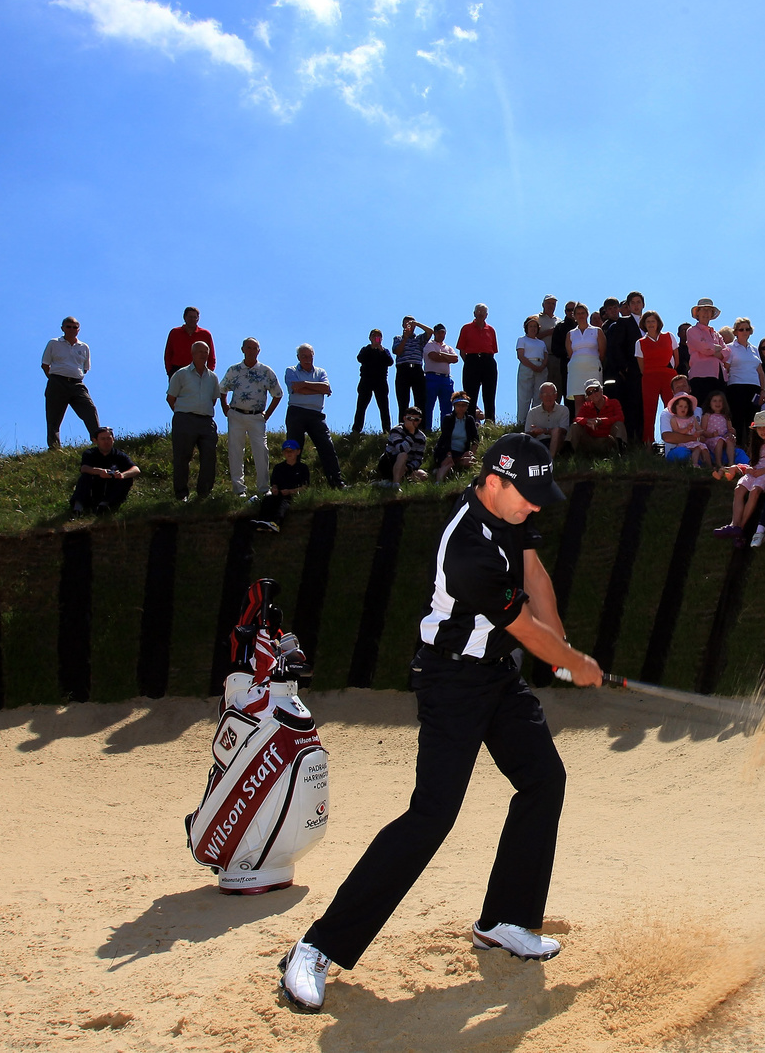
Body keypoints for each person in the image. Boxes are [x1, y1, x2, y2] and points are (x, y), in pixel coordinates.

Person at [278, 435, 602, 1012]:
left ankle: (504, 920)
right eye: (526, 496)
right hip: (451, 682)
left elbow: (535, 576)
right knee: (431, 816)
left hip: (499, 677)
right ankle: (318, 946)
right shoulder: (467, 547)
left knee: (543, 780)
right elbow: (524, 625)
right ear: (494, 483)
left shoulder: (513, 512)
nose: (534, 507)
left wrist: (567, 648)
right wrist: (567, 662)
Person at [220, 337, 284, 498]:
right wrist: (225, 408)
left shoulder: (266, 371)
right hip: (236, 415)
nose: (251, 351)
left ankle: (263, 488)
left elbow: (278, 394)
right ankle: (239, 489)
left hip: (256, 417)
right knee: (235, 451)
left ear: (259, 351)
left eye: (254, 348)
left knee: (261, 451)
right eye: (248, 347)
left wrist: (267, 415)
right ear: (242, 349)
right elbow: (222, 389)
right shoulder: (234, 370)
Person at [285, 344, 346, 489]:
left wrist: (304, 384)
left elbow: (326, 388)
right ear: (298, 357)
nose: (307, 359)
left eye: (309, 356)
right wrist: (315, 388)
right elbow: (295, 388)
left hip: (316, 415)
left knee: (327, 447)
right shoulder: (291, 370)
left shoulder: (320, 371)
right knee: (294, 449)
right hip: (296, 412)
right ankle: (293, 485)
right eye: (303, 356)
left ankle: (336, 483)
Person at [714, 409, 765, 543]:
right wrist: (747, 469)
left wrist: (763, 471)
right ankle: (734, 524)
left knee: (755, 491)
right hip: (756, 471)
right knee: (739, 489)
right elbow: (753, 464)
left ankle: (740, 528)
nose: (762, 431)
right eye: (759, 428)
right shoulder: (756, 444)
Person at [166, 340, 220, 501]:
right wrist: (182, 413)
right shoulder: (181, 374)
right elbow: (170, 398)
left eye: (205, 352)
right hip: (184, 419)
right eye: (200, 352)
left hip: (206, 421)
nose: (203, 355)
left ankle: (204, 493)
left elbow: (214, 399)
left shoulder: (213, 377)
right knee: (182, 458)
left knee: (209, 457)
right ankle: (181, 494)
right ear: (193, 353)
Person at [41, 316, 99, 450]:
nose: (71, 329)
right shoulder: (54, 343)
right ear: (62, 328)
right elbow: (45, 364)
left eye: (74, 327)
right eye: (68, 327)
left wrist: (74, 376)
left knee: (90, 409)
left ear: (78, 329)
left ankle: (98, 440)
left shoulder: (84, 347)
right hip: (57, 382)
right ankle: (54, 448)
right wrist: (54, 379)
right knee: (54, 417)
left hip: (77, 384)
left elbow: (85, 368)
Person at [603, 293, 644, 443]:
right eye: (632, 303)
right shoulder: (623, 322)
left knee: (645, 407)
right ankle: (632, 441)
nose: (636, 305)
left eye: (638, 302)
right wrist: (624, 367)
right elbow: (615, 347)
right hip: (632, 372)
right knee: (632, 406)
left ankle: (644, 441)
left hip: (648, 372)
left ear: (643, 304)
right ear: (628, 305)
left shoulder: (649, 322)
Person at [69, 427, 139, 515]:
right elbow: (84, 468)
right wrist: (100, 472)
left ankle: (105, 506)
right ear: (95, 441)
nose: (106, 442)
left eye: (109, 438)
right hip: (94, 487)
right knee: (85, 476)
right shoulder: (90, 453)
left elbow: (136, 469)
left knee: (127, 479)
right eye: (102, 439)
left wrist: (122, 475)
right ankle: (78, 509)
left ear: (113, 440)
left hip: (111, 487)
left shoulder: (119, 455)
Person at [636, 311, 676, 444]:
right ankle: (648, 443)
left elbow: (676, 358)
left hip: (668, 376)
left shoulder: (669, 336)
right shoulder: (640, 342)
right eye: (648, 322)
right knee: (649, 411)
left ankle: (673, 442)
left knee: (672, 409)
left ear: (658, 323)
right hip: (649, 378)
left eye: (653, 321)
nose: (651, 324)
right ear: (644, 324)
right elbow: (641, 366)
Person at [253, 440, 310, 533]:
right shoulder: (278, 467)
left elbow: (305, 486)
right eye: (286, 451)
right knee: (268, 500)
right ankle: (262, 522)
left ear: (298, 452)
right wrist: (275, 489)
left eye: (291, 451)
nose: (289, 453)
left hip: (293, 495)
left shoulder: (303, 468)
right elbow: (274, 483)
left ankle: (276, 523)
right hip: (279, 494)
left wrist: (291, 491)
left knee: (283, 504)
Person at [722, 318, 764, 436]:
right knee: (738, 420)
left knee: (753, 420)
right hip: (737, 388)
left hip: (754, 389)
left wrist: (763, 391)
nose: (745, 332)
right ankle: (738, 448)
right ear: (735, 332)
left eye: (747, 329)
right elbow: (726, 368)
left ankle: (752, 450)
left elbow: (760, 372)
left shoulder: (755, 349)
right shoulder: (730, 348)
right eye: (741, 329)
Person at [457, 304, 499, 422]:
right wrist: (471, 363)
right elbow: (462, 351)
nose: (481, 314)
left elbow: (494, 349)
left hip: (488, 361)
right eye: (478, 311)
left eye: (483, 312)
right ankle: (470, 421)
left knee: (489, 394)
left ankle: (490, 422)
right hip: (472, 360)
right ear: (474, 313)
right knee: (470, 394)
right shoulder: (466, 328)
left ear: (486, 315)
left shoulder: (490, 330)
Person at [684, 299, 727, 410]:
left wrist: (714, 350)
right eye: (703, 310)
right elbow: (703, 348)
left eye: (709, 310)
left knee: (718, 411)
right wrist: (716, 349)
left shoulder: (716, 334)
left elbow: (727, 353)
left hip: (718, 376)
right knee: (701, 409)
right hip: (700, 376)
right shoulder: (692, 330)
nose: (706, 313)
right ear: (697, 313)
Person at [566, 379, 625, 455]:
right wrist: (588, 421)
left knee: (619, 424)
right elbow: (577, 419)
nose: (593, 394)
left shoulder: (614, 403)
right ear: (588, 396)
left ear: (601, 390)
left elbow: (620, 417)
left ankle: (621, 452)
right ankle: (568, 455)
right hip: (590, 441)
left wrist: (601, 421)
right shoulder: (586, 406)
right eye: (589, 392)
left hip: (609, 440)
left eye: (595, 390)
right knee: (575, 426)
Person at [353, 329, 394, 435]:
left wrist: (381, 350)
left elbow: (390, 362)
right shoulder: (365, 349)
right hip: (366, 380)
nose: (376, 338)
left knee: (384, 406)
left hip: (381, 381)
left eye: (379, 336)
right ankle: (356, 429)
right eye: (374, 336)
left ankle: (386, 430)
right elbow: (360, 358)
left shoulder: (384, 351)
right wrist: (371, 348)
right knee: (361, 405)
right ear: (370, 338)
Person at [392, 317, 432, 420]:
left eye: (411, 324)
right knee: (403, 401)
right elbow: (397, 351)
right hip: (403, 369)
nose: (409, 326)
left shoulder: (419, 339)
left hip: (417, 369)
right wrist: (405, 337)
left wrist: (417, 324)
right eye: (406, 324)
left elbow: (430, 332)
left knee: (420, 400)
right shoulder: (398, 338)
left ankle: (420, 427)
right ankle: (403, 426)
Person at [564, 304, 604, 406]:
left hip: (593, 367)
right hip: (576, 370)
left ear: (587, 314)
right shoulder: (570, 334)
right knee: (579, 401)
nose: (581, 316)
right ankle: (579, 421)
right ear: (574, 316)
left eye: (583, 313)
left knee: (593, 399)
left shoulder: (597, 331)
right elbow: (570, 353)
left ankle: (594, 421)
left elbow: (602, 351)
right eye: (578, 313)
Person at [433, 394, 481, 482]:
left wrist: (472, 452)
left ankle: (456, 471)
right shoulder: (448, 419)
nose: (461, 408)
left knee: (471, 461)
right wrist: (448, 455)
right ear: (454, 406)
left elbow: (475, 438)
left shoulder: (469, 420)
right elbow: (445, 438)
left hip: (461, 452)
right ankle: (438, 482)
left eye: (464, 405)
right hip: (446, 451)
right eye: (458, 405)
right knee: (448, 463)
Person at [514, 317, 549, 431]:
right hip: (527, 366)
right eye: (531, 326)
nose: (533, 328)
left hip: (540, 366)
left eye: (535, 326)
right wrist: (532, 366)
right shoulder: (522, 340)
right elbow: (521, 356)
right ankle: (521, 423)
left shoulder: (541, 342)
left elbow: (545, 355)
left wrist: (542, 366)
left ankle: (535, 423)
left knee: (538, 396)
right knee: (524, 396)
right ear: (526, 328)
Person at [422, 324, 459, 430]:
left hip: (445, 379)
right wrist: (446, 357)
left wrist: (441, 355)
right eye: (438, 332)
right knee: (429, 405)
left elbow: (455, 359)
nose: (441, 335)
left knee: (447, 405)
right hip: (432, 377)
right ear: (435, 333)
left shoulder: (448, 347)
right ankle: (427, 428)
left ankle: (446, 429)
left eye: (443, 332)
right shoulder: (429, 345)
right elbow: (433, 356)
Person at [377, 410, 429, 485]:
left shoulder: (421, 437)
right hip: (389, 462)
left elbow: (418, 458)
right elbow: (401, 449)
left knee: (423, 475)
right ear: (404, 418)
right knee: (403, 455)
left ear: (420, 421)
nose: (412, 422)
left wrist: (408, 467)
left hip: (406, 466)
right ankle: (396, 484)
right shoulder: (396, 430)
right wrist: (411, 433)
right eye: (409, 419)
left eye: (416, 420)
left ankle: (396, 482)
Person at [164, 306, 216, 377]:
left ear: (198, 319)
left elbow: (211, 356)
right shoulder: (175, 332)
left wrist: (208, 374)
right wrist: (169, 371)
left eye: (195, 317)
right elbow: (168, 353)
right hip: (177, 370)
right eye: (190, 317)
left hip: (198, 371)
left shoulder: (205, 334)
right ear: (185, 317)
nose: (192, 319)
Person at [524, 382, 569, 458]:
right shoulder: (533, 412)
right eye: (545, 394)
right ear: (540, 396)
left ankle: (551, 459)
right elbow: (527, 433)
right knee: (521, 436)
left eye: (551, 394)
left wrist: (545, 430)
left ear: (556, 395)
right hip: (539, 443)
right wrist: (535, 432)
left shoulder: (563, 410)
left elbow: (564, 430)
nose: (548, 397)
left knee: (557, 431)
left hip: (558, 442)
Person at [661, 393, 706, 465]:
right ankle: (695, 464)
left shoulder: (694, 415)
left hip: (696, 443)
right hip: (682, 446)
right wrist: (692, 435)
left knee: (705, 451)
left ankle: (709, 467)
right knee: (682, 454)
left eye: (685, 407)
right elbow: (672, 435)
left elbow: (701, 430)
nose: (683, 408)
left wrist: (700, 433)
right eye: (680, 406)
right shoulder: (671, 417)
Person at [536, 296, 565, 398]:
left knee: (556, 386)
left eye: (553, 304)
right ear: (543, 304)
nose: (551, 306)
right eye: (548, 303)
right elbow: (531, 337)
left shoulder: (559, 321)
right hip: (540, 357)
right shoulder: (537, 319)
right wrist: (549, 332)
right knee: (540, 387)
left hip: (555, 357)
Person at [701, 391, 737, 468]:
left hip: (723, 437)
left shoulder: (725, 416)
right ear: (709, 403)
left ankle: (731, 463)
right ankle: (719, 463)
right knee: (719, 440)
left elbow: (730, 429)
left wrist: (731, 434)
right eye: (715, 401)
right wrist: (711, 435)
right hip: (711, 439)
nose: (718, 403)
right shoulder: (707, 416)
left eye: (720, 401)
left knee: (729, 440)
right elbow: (702, 431)